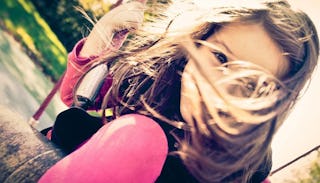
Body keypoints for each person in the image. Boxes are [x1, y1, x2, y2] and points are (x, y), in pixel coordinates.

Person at [39, 0, 319, 182]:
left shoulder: (249, 165)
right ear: (199, 42)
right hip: (80, 156)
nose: (220, 87)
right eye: (220, 58)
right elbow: (77, 95)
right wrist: (106, 29)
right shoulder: (154, 79)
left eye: (250, 85)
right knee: (141, 136)